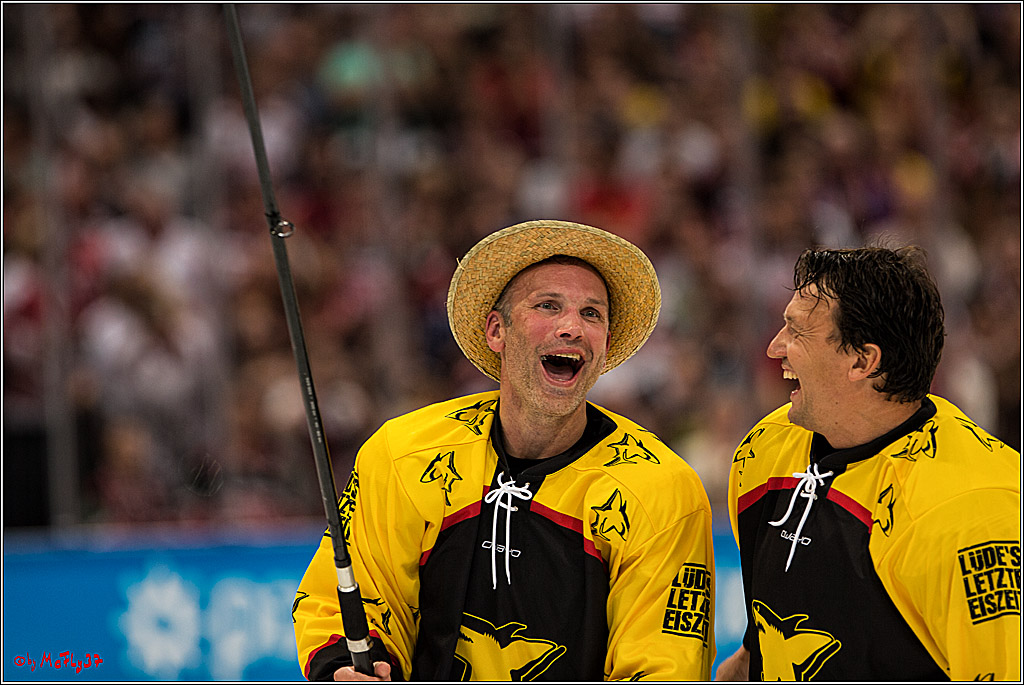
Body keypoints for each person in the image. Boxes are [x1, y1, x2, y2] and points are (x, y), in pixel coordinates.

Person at [293, 220, 716, 681]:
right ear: (497, 331)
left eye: (592, 314)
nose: (572, 327)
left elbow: (663, 664)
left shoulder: (661, 488)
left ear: (606, 345)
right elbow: (345, 599)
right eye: (548, 306)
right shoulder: (402, 454)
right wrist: (346, 669)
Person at [715, 246, 1021, 681]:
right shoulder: (764, 449)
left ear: (863, 360)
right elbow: (757, 651)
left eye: (796, 331)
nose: (774, 347)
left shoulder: (976, 513)